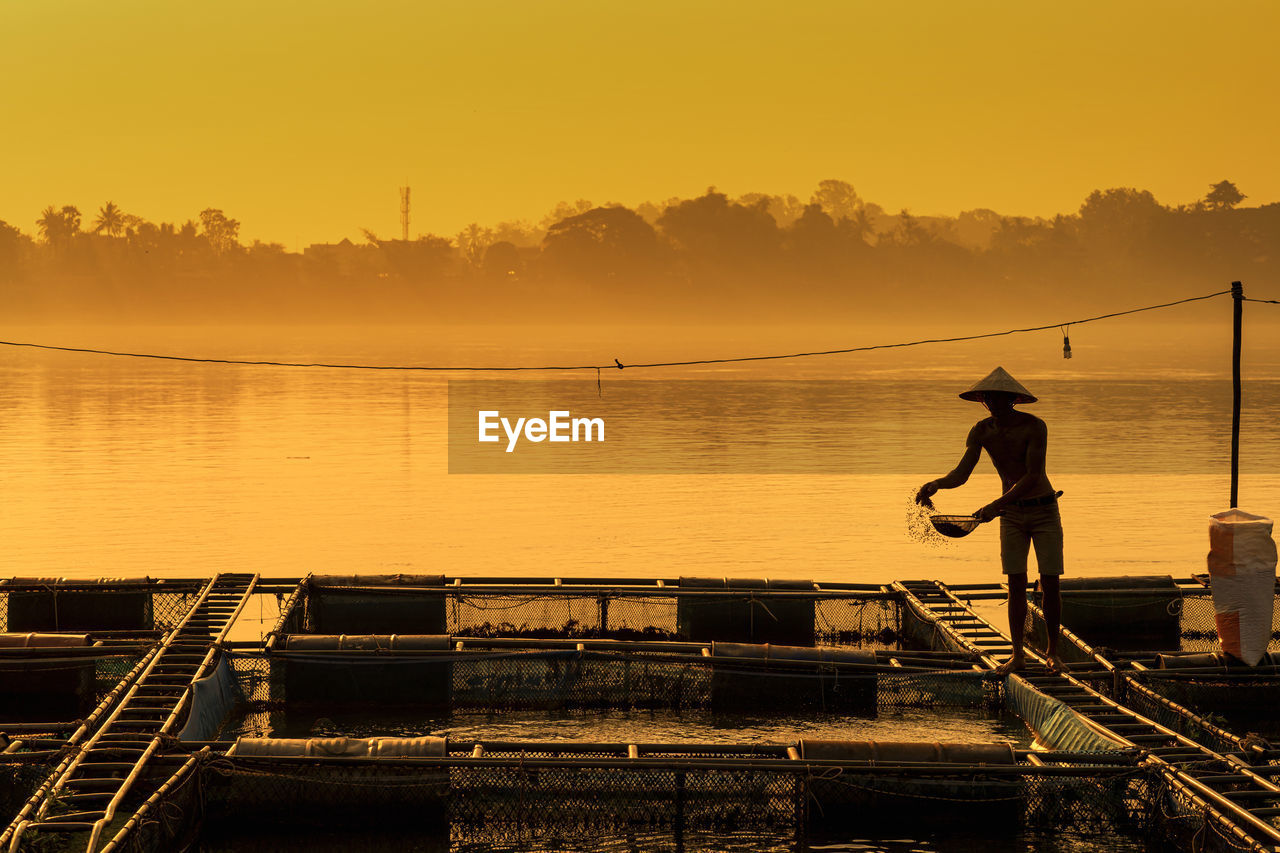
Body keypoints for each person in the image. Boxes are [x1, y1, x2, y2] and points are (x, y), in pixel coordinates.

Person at [915, 367, 1064, 675]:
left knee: (1049, 582)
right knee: (1015, 582)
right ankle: (1018, 655)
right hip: (1011, 515)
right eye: (988, 399)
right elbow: (961, 474)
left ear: (1013, 400)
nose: (993, 404)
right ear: (983, 401)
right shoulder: (981, 431)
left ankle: (1052, 652)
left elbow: (1032, 475)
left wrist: (996, 504)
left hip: (1043, 510)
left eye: (1000, 399)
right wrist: (937, 484)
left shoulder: (1034, 426)